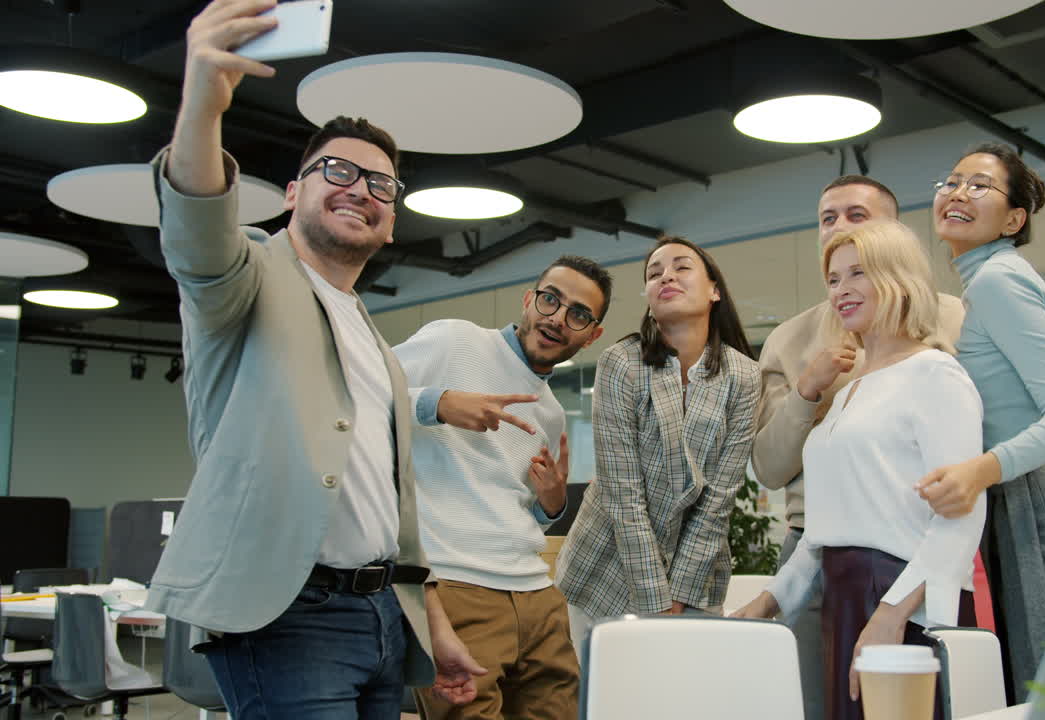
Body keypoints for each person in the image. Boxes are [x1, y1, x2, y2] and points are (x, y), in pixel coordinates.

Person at [145, 1, 482, 716]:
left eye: (381, 185)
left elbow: (387, 507)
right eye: (337, 171)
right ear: (294, 192)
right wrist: (204, 101)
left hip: (383, 615)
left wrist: (434, 624)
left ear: (391, 224)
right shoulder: (249, 278)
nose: (361, 189)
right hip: (289, 615)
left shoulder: (369, 336)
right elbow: (198, 235)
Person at [735, 221, 985, 720]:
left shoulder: (936, 374)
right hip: (844, 595)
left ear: (897, 278)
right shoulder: (846, 390)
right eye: (832, 279)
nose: (841, 291)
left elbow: (962, 517)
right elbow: (823, 532)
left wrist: (892, 615)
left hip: (906, 598)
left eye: (857, 274)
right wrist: (768, 600)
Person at [915, 142, 1045, 701]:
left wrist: (978, 471)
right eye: (953, 180)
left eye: (980, 185)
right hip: (1020, 505)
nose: (959, 192)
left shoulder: (997, 281)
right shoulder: (987, 282)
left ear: (1014, 219)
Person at [392, 256, 613, 720]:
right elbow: (357, 391)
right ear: (528, 299)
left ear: (592, 335)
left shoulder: (550, 411)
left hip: (537, 594)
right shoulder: (453, 340)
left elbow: (515, 500)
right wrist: (441, 403)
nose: (557, 318)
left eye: (577, 314)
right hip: (455, 584)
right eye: (550, 299)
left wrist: (551, 505)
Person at [555, 236, 760, 652]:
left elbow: (718, 500)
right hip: (604, 569)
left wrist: (678, 595)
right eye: (654, 272)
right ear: (649, 299)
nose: (666, 275)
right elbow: (623, 493)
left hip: (697, 579)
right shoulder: (621, 361)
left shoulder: (744, 376)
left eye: (682, 267)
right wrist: (655, 601)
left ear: (714, 290)